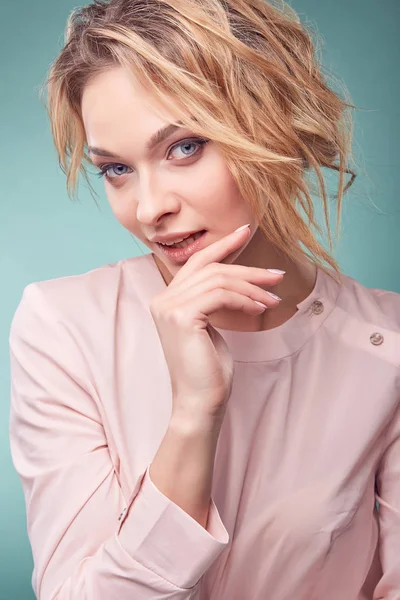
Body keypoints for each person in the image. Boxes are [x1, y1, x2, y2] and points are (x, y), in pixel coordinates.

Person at [8, 0, 400, 598]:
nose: (149, 208)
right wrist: (193, 414)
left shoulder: (387, 346)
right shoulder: (65, 326)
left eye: (184, 147)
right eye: (115, 169)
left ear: (275, 125)